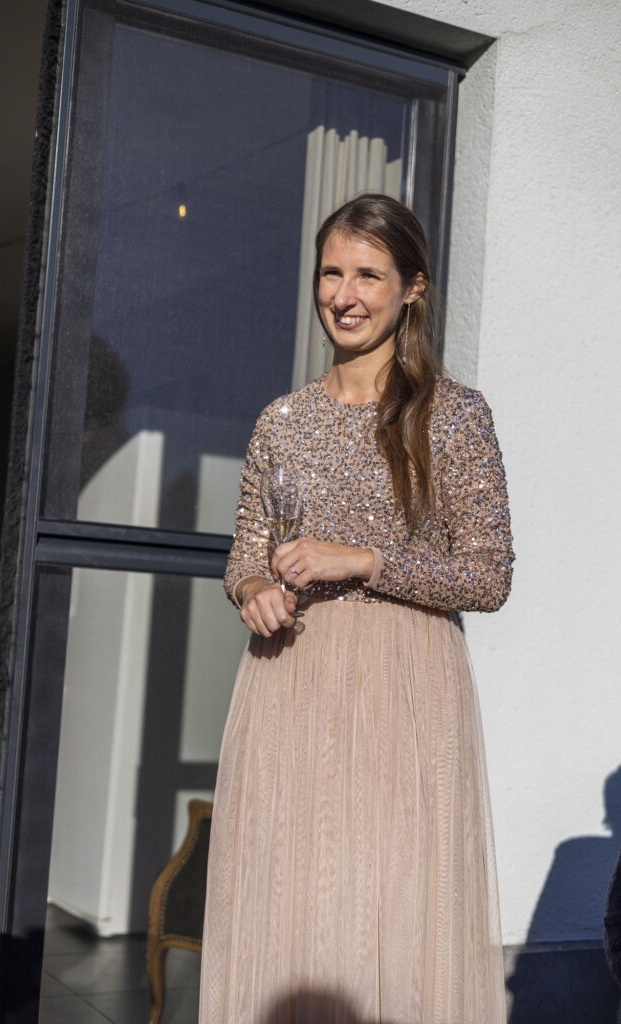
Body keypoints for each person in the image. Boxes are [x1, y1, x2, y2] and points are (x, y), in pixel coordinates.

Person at [198, 193, 514, 1024]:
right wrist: (255, 592)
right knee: (289, 912)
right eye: (331, 272)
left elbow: (488, 578)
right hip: (290, 689)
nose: (344, 295)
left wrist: (365, 560)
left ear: (413, 287)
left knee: (391, 918)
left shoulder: (456, 416)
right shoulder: (282, 420)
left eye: (369, 275)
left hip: (405, 696)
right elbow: (244, 556)